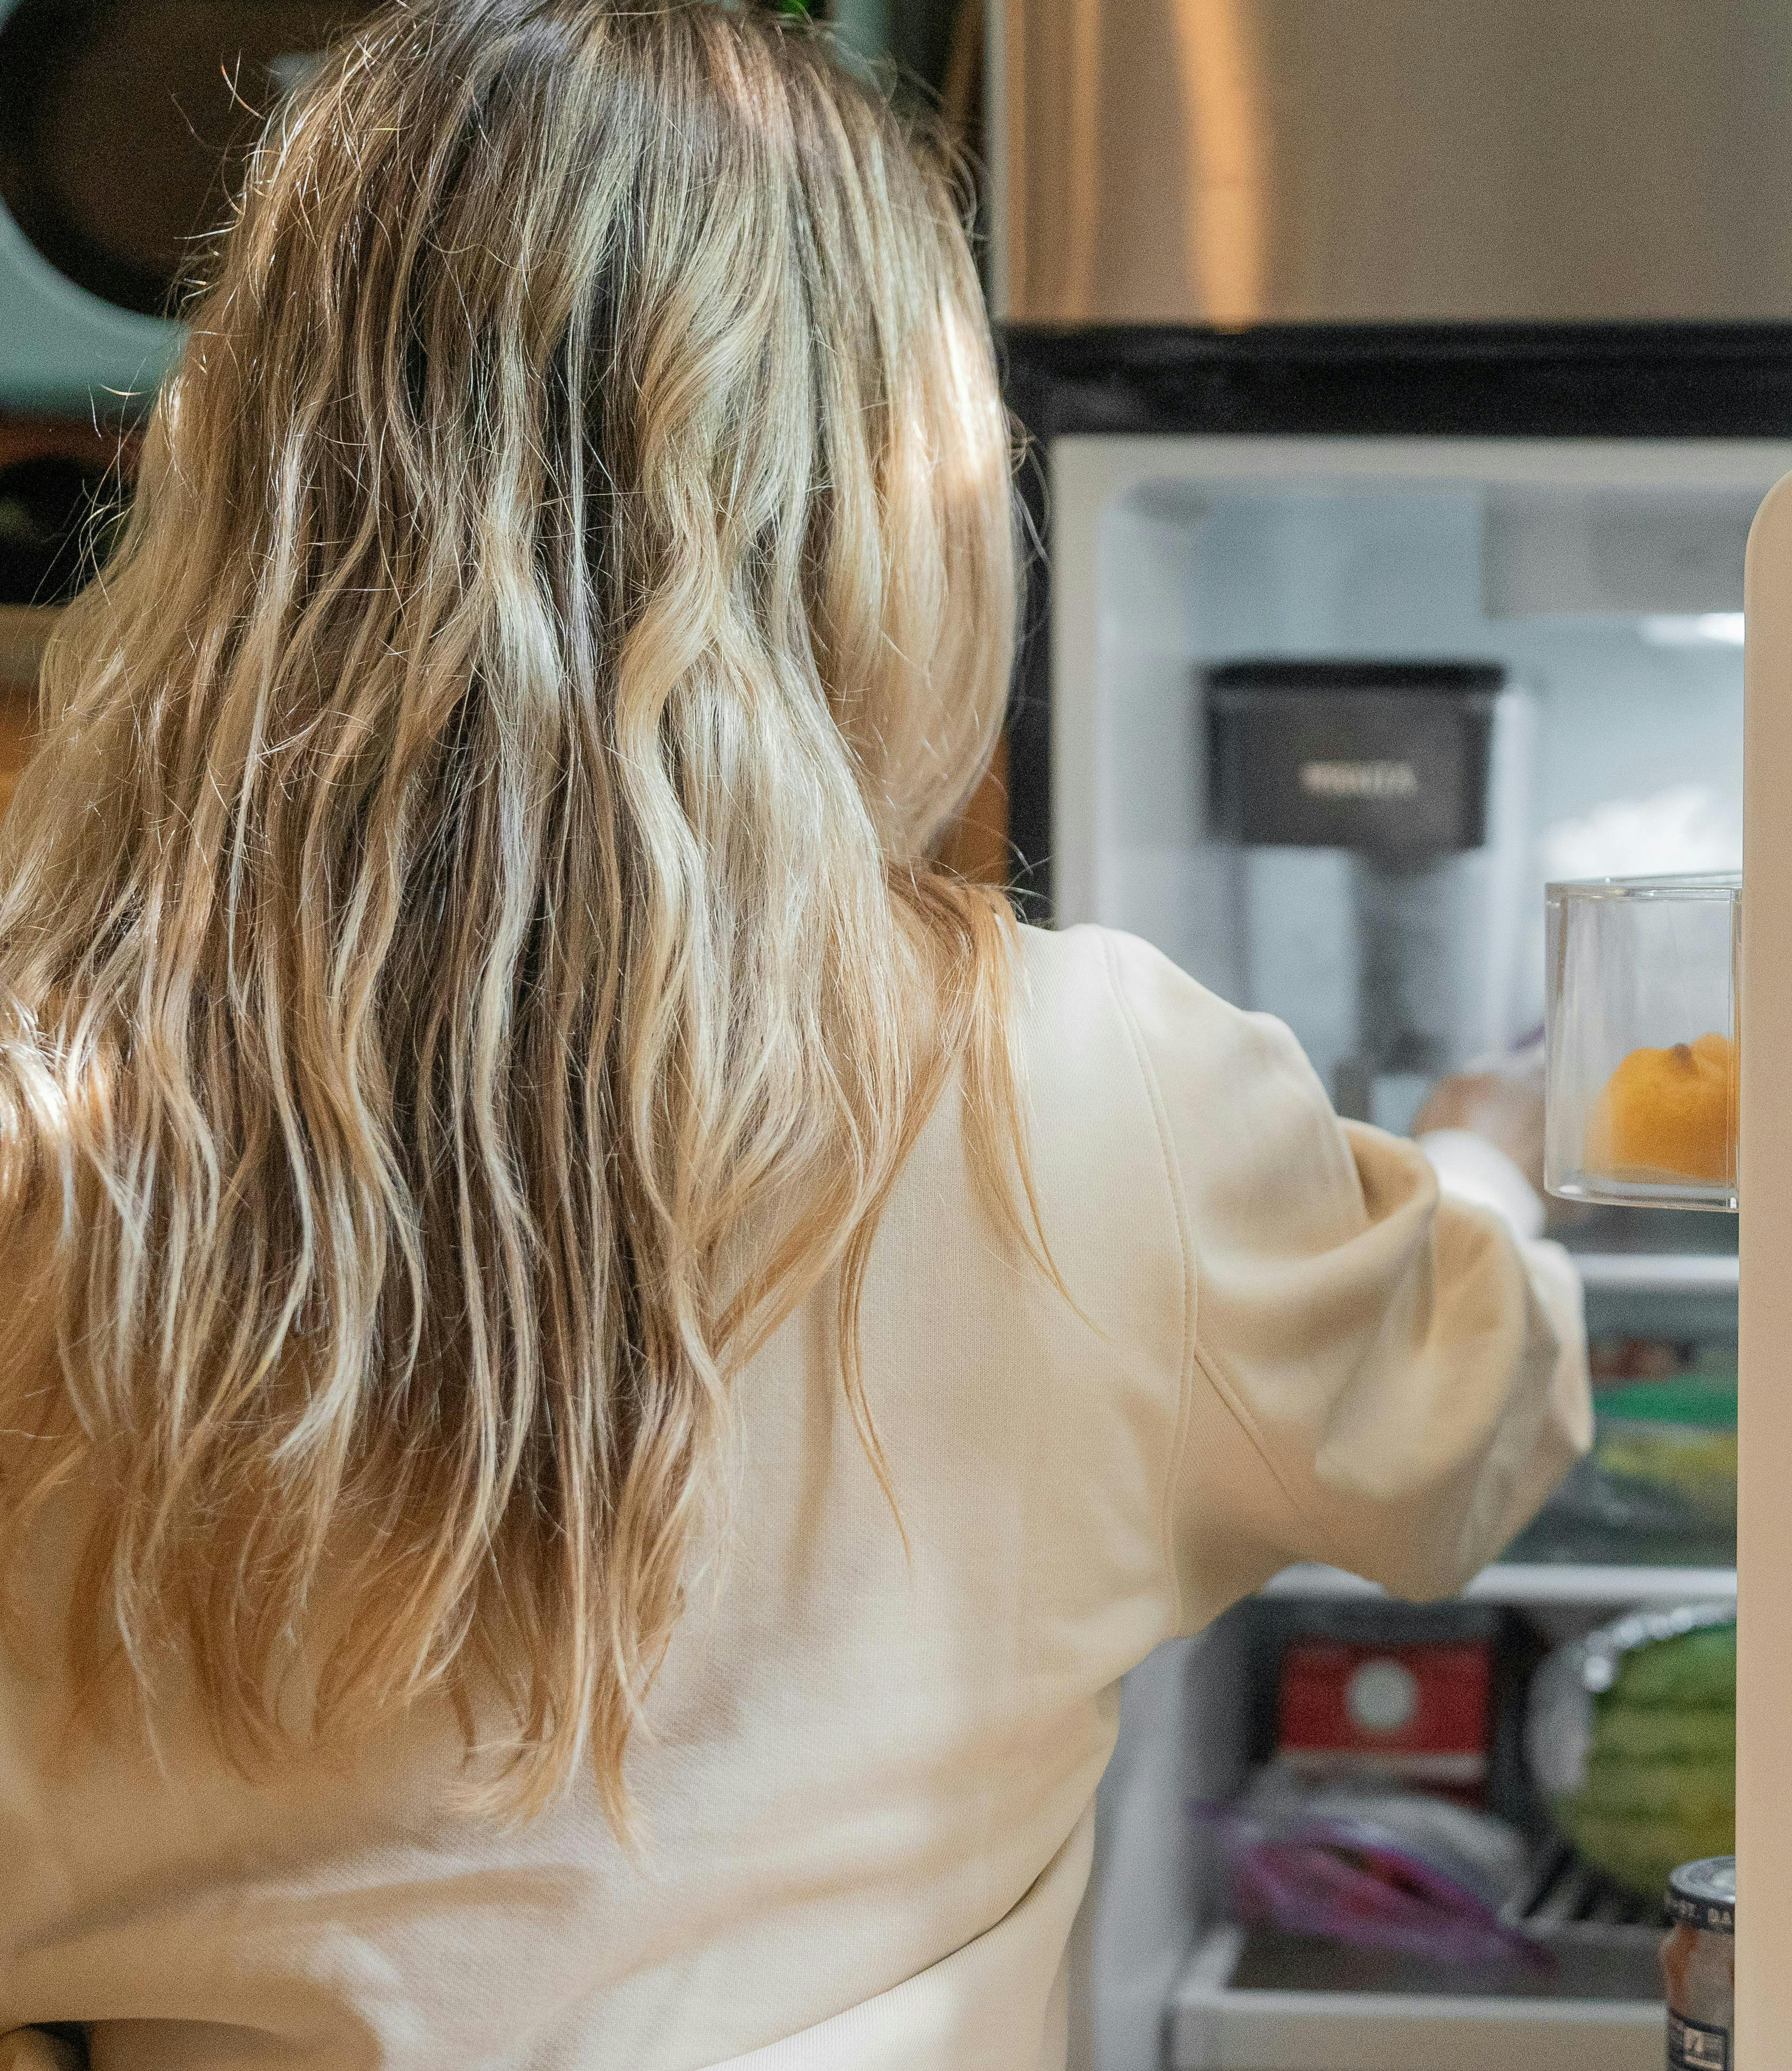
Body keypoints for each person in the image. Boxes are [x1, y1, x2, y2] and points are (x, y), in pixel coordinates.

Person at [0, 3, 1588, 2064]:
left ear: (252, 471)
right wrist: (1480, 1158)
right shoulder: (1090, 1098)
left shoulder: (47, 1116)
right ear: (886, 510)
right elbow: (1462, 1448)